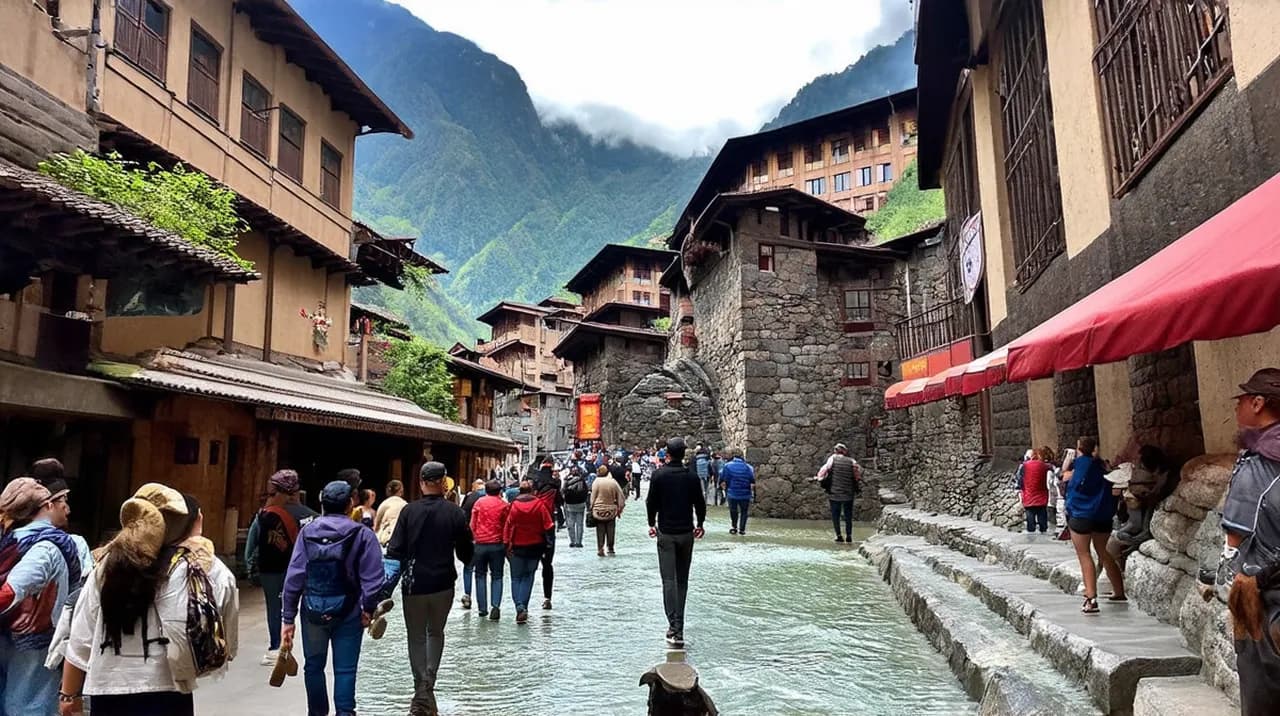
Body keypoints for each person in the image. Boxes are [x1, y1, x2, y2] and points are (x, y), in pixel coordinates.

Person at [59, 483, 201, 715]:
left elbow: (80, 639)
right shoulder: (183, 568)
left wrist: (68, 694)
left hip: (108, 690)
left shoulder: (106, 566)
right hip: (168, 689)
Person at [1202, 369, 1280, 714]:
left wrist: (1221, 577)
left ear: (1258, 403)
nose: (1237, 408)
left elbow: (1236, 536)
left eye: (1243, 400)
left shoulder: (1259, 462)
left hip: (1265, 600)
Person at [280, 481, 384, 716]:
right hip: (349, 609)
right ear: (350, 504)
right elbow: (373, 578)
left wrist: (288, 618)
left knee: (314, 666)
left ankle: (317, 713)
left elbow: (295, 576)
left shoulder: (307, 532)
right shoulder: (363, 534)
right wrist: (367, 608)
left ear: (322, 503)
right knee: (345, 670)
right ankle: (345, 713)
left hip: (312, 609)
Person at [385, 463, 474, 716]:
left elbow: (395, 552)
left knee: (415, 636)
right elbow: (466, 552)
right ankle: (427, 686)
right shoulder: (454, 512)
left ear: (421, 482)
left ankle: (421, 689)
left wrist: (382, 589)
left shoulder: (408, 512)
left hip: (414, 583)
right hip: (443, 582)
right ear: (444, 482)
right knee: (435, 632)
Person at [0, 477, 89, 716]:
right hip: (36, 645)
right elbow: (10, 592)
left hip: (15, 641)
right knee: (27, 707)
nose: (66, 508)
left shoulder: (11, 543)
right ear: (48, 505)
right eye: (61, 501)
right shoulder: (45, 548)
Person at [244, 469, 317, 665]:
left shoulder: (265, 515)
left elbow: (251, 546)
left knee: (275, 607)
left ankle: (276, 646)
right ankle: (311, 648)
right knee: (306, 606)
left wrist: (250, 567)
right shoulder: (312, 517)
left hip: (272, 569)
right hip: (304, 569)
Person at [646, 438, 706, 648]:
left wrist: (651, 523)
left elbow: (651, 501)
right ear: (683, 454)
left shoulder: (659, 475)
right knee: (682, 581)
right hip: (686, 533)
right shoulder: (691, 476)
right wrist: (700, 523)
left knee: (668, 581)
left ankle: (674, 627)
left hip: (666, 533)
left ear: (667, 454)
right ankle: (679, 625)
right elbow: (700, 501)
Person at [1064, 436, 1120, 615]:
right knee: (1103, 552)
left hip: (1081, 514)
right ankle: (1119, 591)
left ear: (1079, 448)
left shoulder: (1081, 464)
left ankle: (1091, 598)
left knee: (1084, 554)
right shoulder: (1103, 465)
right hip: (1102, 514)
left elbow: (1069, 481)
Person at [504, 481, 553, 625]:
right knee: (528, 576)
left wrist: (506, 544)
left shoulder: (513, 506)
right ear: (532, 491)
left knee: (515, 578)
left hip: (517, 546)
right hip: (535, 546)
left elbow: (508, 525)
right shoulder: (539, 505)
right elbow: (548, 525)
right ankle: (523, 606)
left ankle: (519, 606)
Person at [469, 480, 508, 621]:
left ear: (486, 490)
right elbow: (506, 525)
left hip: (480, 544)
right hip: (497, 545)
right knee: (497, 576)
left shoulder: (479, 503)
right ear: (499, 491)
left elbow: (472, 524)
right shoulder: (504, 505)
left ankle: (482, 608)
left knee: (480, 576)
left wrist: (474, 539)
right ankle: (495, 606)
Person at [531, 459, 563, 611]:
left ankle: (523, 601)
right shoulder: (554, 486)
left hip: (533, 525)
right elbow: (560, 502)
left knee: (529, 564)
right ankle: (547, 597)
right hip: (548, 526)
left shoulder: (534, 485)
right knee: (547, 565)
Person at [815, 444, 861, 543]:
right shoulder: (852, 461)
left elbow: (823, 471)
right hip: (848, 493)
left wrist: (819, 478)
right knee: (848, 515)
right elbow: (857, 476)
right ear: (845, 452)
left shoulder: (832, 459)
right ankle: (849, 536)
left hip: (835, 493)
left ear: (836, 451)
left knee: (836, 515)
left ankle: (839, 536)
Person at [459, 479, 486, 610]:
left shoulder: (469, 497)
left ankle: (467, 595)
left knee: (468, 567)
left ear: (474, 487)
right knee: (482, 573)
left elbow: (462, 515)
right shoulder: (490, 497)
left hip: (471, 537)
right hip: (487, 539)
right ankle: (484, 605)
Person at [590, 465, 626, 556]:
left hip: (598, 510)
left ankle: (600, 548)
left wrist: (591, 507)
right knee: (611, 529)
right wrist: (620, 508)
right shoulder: (613, 482)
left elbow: (592, 497)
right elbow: (621, 496)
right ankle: (610, 548)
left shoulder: (596, 482)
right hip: (611, 509)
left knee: (600, 529)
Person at [718, 449, 756, 536]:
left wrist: (724, 487)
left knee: (733, 511)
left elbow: (723, 478)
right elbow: (752, 480)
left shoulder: (727, 466)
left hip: (732, 493)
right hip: (745, 494)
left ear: (732, 455)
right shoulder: (748, 467)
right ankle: (742, 529)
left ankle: (734, 527)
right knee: (744, 512)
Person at [1017, 449, 1053, 533]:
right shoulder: (1044, 465)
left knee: (1030, 515)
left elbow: (1019, 479)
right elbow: (1054, 470)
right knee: (1042, 513)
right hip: (1042, 495)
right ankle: (1043, 530)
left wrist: (1020, 489)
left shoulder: (1024, 466)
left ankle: (1031, 532)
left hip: (1028, 494)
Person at [562, 463, 590, 549]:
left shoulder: (566, 480)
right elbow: (586, 491)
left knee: (571, 523)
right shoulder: (582, 481)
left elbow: (563, 491)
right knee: (579, 524)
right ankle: (579, 542)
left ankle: (572, 541)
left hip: (570, 504)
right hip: (580, 504)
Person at [373, 479, 408, 548]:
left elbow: (377, 525)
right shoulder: (406, 504)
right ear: (401, 491)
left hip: (386, 539)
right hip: (401, 540)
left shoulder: (384, 503)